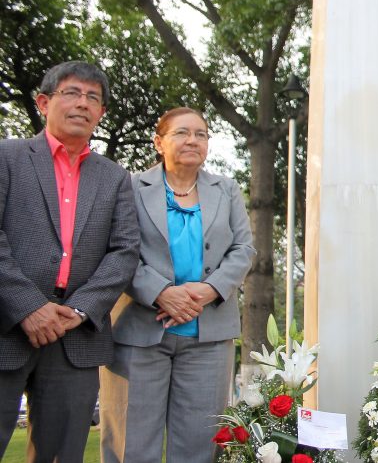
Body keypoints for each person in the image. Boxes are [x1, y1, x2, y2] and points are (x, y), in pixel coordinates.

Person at [0, 61, 141, 462]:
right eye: (72, 93)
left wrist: (79, 310)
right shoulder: (7, 156)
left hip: (75, 336)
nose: (82, 103)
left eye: (93, 97)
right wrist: (29, 306)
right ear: (44, 102)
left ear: (101, 113)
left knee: (62, 454)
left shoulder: (114, 177)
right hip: (6, 324)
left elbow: (124, 251)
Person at [100, 107, 256, 463]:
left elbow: (243, 249)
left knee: (199, 445)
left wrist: (209, 289)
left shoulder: (227, 189)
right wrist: (160, 293)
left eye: (201, 134)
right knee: (130, 443)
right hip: (138, 334)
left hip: (208, 337)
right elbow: (116, 248)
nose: (192, 140)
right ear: (159, 142)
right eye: (182, 133)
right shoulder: (129, 187)